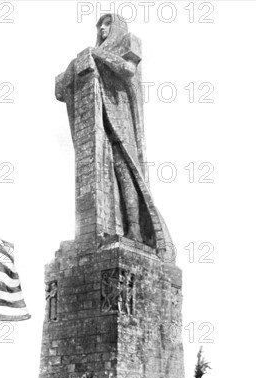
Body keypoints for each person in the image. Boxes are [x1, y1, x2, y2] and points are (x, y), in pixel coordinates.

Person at [56, 13, 173, 259]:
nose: (102, 28)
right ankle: (106, 230)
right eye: (100, 25)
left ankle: (136, 230)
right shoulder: (94, 51)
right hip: (99, 118)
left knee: (126, 171)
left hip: (122, 118)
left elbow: (128, 70)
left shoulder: (129, 40)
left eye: (107, 23)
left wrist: (97, 54)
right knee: (104, 173)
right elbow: (60, 91)